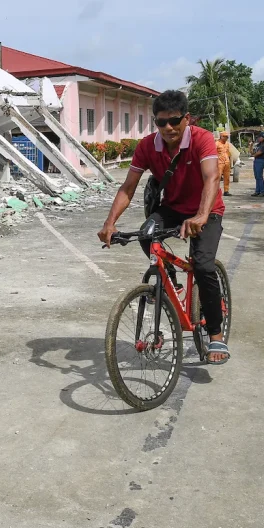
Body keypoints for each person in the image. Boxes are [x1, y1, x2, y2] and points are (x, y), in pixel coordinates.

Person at [98, 89, 229, 364]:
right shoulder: (147, 146)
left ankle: (215, 334)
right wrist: (110, 223)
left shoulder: (202, 139)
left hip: (207, 210)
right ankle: (172, 284)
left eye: (174, 120)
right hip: (172, 208)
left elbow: (212, 177)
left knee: (204, 265)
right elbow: (128, 187)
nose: (167, 128)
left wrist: (202, 215)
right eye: (160, 122)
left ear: (187, 119)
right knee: (146, 235)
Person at [216, 131, 232, 196]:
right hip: (219, 163)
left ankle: (226, 191)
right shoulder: (217, 143)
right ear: (221, 136)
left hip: (227, 162)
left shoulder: (227, 144)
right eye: (225, 136)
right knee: (218, 177)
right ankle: (216, 191)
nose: (227, 138)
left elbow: (229, 153)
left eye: (227, 136)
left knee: (227, 177)